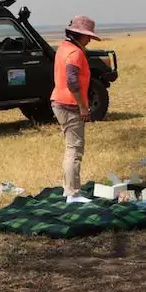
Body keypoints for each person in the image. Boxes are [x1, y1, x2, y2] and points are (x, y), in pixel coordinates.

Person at [51, 15, 101, 204]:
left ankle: (68, 189)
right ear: (79, 35)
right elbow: (72, 82)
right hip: (70, 104)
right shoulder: (76, 53)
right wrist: (83, 106)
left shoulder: (63, 48)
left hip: (59, 101)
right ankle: (73, 193)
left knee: (70, 148)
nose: (89, 40)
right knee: (75, 150)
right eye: (88, 36)